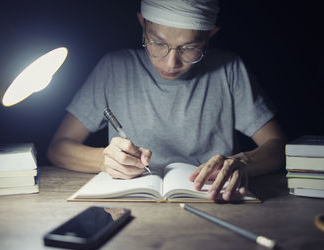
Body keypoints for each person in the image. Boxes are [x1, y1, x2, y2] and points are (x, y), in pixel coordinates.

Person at [47, 0, 287, 201]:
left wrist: (243, 162)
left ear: (209, 36)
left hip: (212, 202)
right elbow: (58, 148)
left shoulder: (228, 69)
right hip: (134, 203)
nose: (171, 63)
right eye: (158, 43)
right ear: (142, 25)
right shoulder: (114, 67)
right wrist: (105, 160)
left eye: (189, 48)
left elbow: (277, 146)